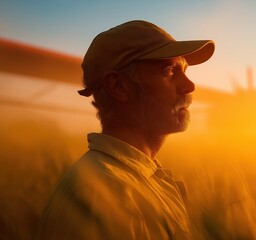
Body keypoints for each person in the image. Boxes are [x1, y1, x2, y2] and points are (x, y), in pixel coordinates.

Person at [36, 20, 215, 239]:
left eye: (185, 71)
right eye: (169, 71)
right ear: (119, 87)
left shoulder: (138, 177)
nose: (190, 85)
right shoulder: (98, 197)